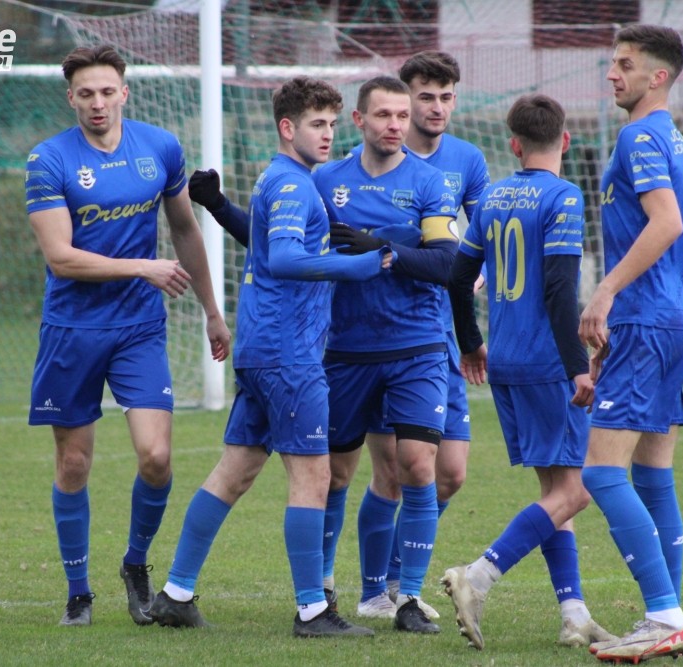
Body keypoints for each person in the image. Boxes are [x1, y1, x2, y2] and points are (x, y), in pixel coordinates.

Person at [148, 76, 390, 638]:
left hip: (264, 350)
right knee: (314, 475)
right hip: (289, 355)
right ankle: (312, 612)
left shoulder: (280, 179)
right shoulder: (293, 185)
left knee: (234, 471)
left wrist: (219, 206)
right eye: (316, 124)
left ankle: (175, 594)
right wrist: (355, 266)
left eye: (332, 124)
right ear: (287, 127)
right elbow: (281, 258)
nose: (328, 135)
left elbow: (268, 249)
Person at [24, 44, 231, 627]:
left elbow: (185, 229)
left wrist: (213, 312)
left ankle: (136, 564)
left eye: (107, 91)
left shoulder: (160, 147)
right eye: (86, 93)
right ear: (71, 98)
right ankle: (78, 593)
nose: (98, 103)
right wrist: (143, 267)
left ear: (125, 92)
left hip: (139, 327)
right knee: (74, 464)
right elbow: (61, 258)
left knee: (157, 457)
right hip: (72, 330)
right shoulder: (48, 160)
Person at [439, 93, 616, 652]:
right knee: (578, 491)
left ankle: (574, 614)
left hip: (507, 361)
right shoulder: (564, 196)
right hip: (547, 364)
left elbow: (457, 277)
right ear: (565, 140)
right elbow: (561, 289)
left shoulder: (492, 196)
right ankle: (478, 576)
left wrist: (471, 343)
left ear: (514, 145)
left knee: (555, 491)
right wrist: (577, 369)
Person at [315, 75, 459, 635]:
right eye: (383, 115)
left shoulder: (428, 182)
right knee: (333, 475)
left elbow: (446, 263)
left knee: (418, 465)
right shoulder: (325, 180)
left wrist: (384, 248)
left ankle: (409, 598)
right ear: (359, 120)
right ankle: (322, 589)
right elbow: (284, 246)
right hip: (345, 350)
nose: (396, 125)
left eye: (402, 115)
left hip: (416, 345)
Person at [349, 50, 489, 622]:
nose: (435, 108)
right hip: (385, 338)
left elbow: (481, 238)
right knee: (395, 472)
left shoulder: (466, 161)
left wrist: (477, 275)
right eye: (423, 97)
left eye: (445, 97)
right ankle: (379, 591)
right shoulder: (360, 168)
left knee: (449, 473)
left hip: (443, 339)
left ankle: (396, 578)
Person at [577, 24, 683, 663]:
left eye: (624, 64)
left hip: (650, 319)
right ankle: (665, 614)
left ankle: (665, 616)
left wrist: (605, 293)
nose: (612, 73)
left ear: (658, 76)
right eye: (612, 62)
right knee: (653, 474)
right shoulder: (674, 137)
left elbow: (667, 223)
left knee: (601, 471)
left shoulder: (640, 135)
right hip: (676, 321)